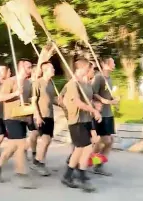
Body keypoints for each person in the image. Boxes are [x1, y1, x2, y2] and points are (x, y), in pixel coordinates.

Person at [0, 59, 36, 189]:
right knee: (22, 145)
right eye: (28, 67)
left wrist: (31, 116)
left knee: (13, 145)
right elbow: (1, 97)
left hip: (23, 117)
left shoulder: (28, 83)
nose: (30, 69)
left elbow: (30, 101)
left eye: (30, 67)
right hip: (11, 117)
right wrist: (15, 93)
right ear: (20, 67)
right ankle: (20, 173)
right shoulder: (11, 81)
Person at [61, 59, 101, 192]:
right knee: (86, 148)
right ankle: (82, 178)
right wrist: (93, 110)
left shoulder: (86, 84)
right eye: (90, 68)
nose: (92, 70)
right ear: (83, 68)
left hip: (86, 120)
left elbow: (88, 101)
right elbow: (77, 102)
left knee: (79, 149)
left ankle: (68, 176)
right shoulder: (73, 84)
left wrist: (94, 108)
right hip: (76, 120)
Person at [92, 57, 118, 176]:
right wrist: (104, 101)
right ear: (105, 64)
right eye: (112, 62)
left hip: (109, 113)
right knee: (104, 140)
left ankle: (98, 164)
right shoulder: (98, 77)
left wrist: (113, 100)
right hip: (101, 114)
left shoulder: (110, 79)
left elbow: (108, 94)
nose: (114, 64)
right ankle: (88, 158)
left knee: (110, 141)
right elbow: (93, 93)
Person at [30, 62, 57, 176]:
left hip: (50, 115)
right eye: (52, 68)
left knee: (48, 140)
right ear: (45, 70)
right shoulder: (38, 83)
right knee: (45, 139)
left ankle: (40, 161)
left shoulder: (51, 83)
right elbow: (33, 101)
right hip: (41, 115)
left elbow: (53, 99)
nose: (54, 69)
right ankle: (37, 163)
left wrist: (62, 103)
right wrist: (37, 116)